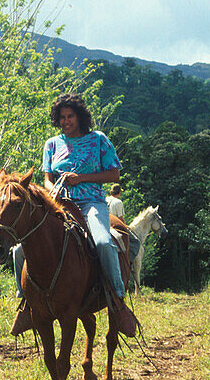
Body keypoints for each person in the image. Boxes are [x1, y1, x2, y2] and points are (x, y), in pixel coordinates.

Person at [11, 93, 125, 335]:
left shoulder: (99, 140)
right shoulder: (52, 144)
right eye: (61, 117)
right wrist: (51, 190)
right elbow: (47, 178)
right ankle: (25, 303)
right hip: (58, 204)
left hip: (91, 203)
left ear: (80, 116)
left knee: (104, 242)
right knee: (20, 250)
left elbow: (114, 175)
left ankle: (118, 299)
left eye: (70, 116)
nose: (65, 121)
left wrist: (81, 178)